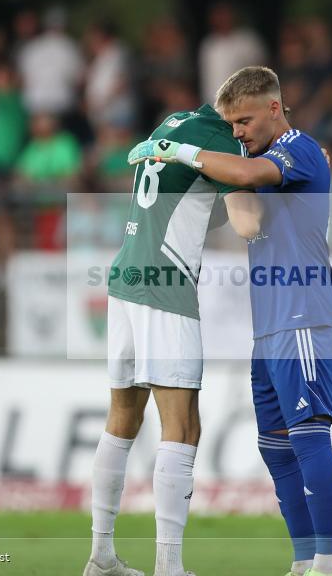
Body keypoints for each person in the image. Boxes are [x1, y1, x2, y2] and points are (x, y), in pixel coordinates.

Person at [129, 65, 332, 576]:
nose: (238, 132)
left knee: (310, 436)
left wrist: (180, 152)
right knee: (274, 447)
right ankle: (301, 562)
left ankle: (329, 563)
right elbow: (248, 223)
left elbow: (249, 177)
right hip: (268, 324)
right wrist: (222, 168)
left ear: (274, 107)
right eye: (231, 126)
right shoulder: (258, 159)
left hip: (303, 317)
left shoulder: (300, 148)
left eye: (244, 121)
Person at [83, 105, 261, 576]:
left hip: (126, 275)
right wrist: (265, 180)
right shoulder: (223, 139)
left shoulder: (173, 123)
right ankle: (170, 567)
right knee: (182, 427)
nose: (250, 137)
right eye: (249, 127)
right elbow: (248, 224)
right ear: (245, 112)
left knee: (121, 418)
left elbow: (191, 201)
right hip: (165, 285)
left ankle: (101, 556)